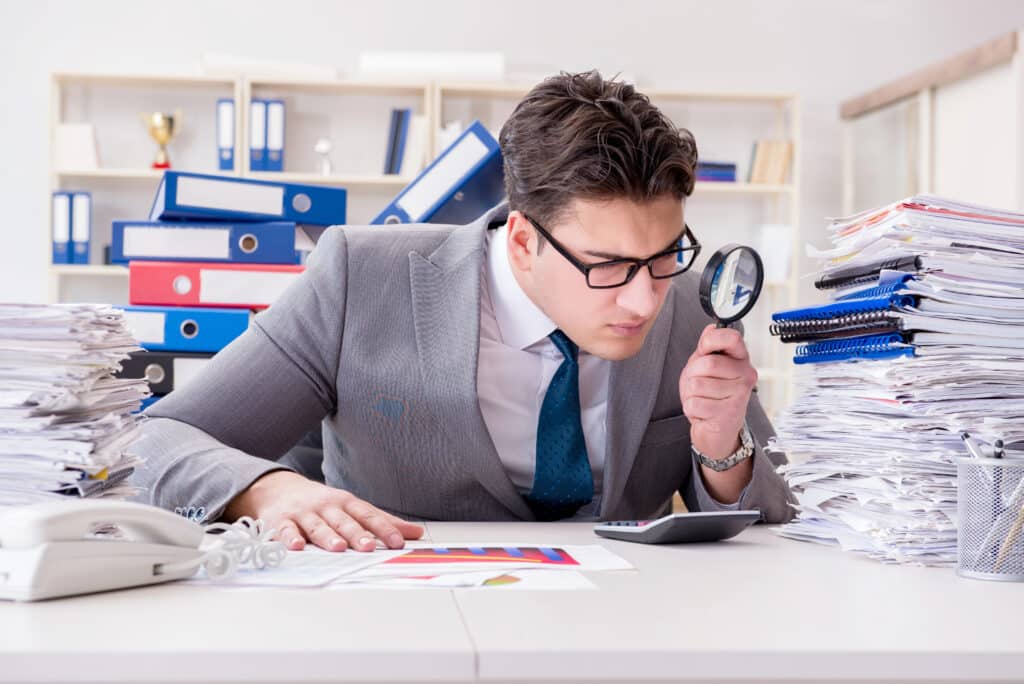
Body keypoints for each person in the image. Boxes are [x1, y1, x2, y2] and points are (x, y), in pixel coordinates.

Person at [131, 70, 795, 553]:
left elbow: (774, 517)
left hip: (618, 629)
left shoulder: (685, 304)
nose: (643, 298)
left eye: (662, 255)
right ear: (524, 240)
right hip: (397, 618)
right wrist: (267, 489)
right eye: (608, 265)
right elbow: (155, 442)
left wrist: (718, 449)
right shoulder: (359, 279)